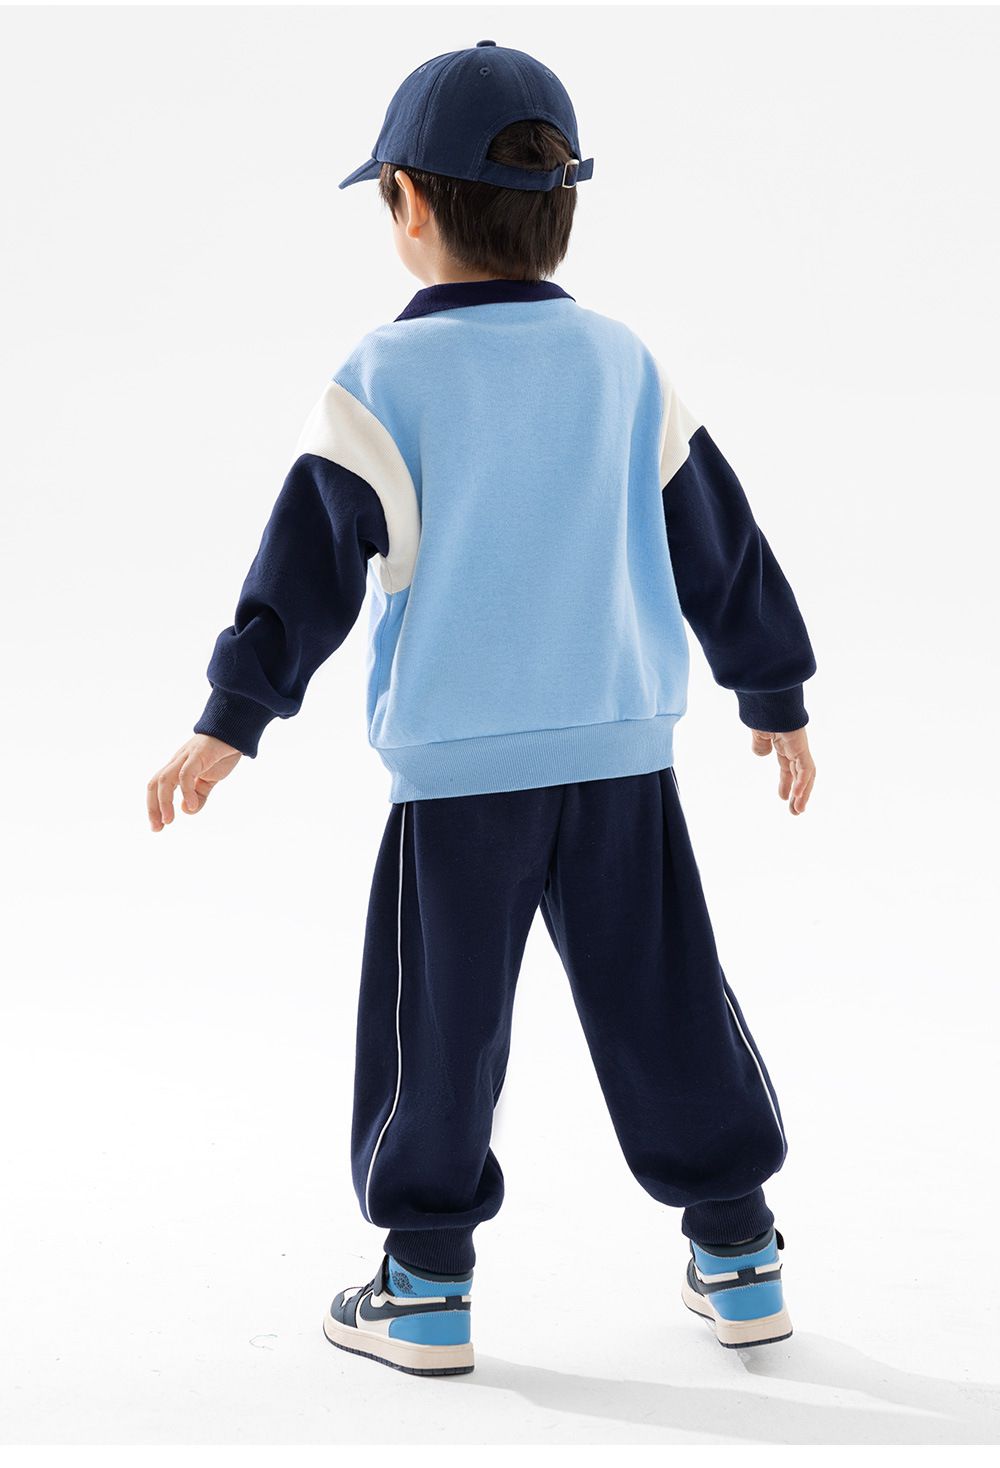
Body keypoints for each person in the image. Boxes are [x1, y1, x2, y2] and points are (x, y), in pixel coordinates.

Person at [146, 40, 817, 1377]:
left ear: (406, 202)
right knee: (667, 1000)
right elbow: (718, 541)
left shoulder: (383, 382)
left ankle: (426, 1285)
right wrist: (772, 685)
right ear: (566, 206)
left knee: (437, 1031)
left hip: (458, 778)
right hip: (620, 761)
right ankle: (740, 1252)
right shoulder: (623, 365)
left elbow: (305, 573)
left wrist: (233, 716)